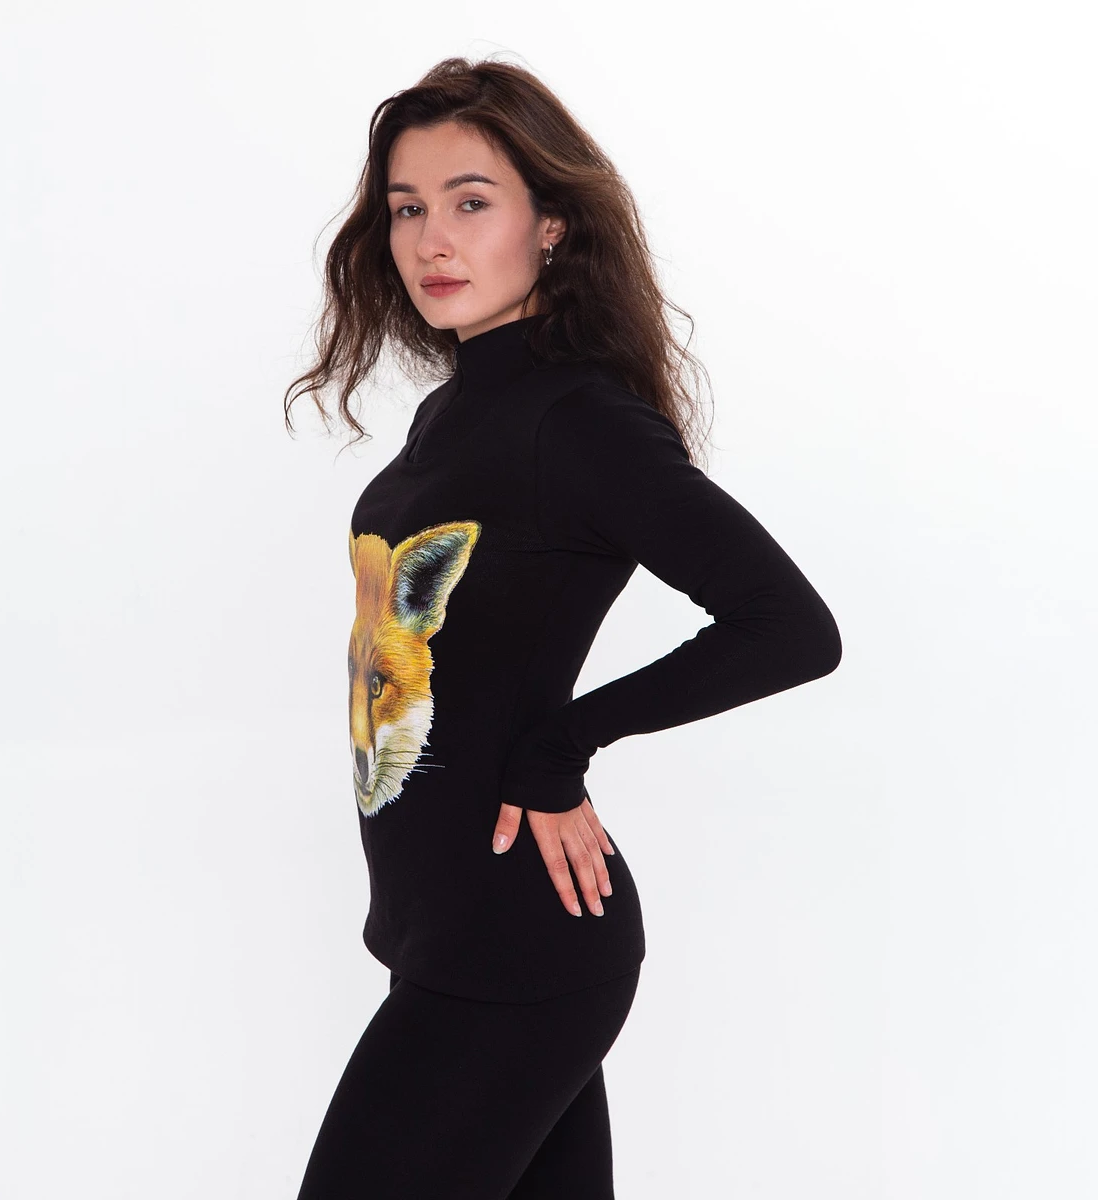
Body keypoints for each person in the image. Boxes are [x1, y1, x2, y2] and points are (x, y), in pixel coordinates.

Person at [285, 55, 842, 1200]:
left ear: (551, 224)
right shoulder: (454, 412)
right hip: (450, 937)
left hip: (512, 951)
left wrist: (561, 746)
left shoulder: (576, 420)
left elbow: (790, 626)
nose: (432, 239)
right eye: (407, 208)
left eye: (471, 202)